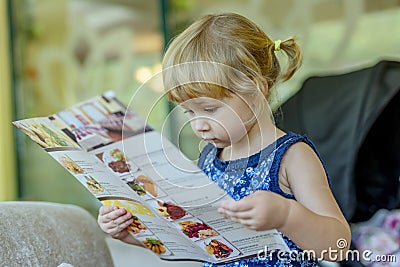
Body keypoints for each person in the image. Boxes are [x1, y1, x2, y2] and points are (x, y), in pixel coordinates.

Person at [97, 12, 351, 266]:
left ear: (256, 89)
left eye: (209, 109)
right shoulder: (208, 157)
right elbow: (193, 236)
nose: (198, 125)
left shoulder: (291, 156)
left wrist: (286, 215)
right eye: (189, 112)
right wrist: (130, 231)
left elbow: (338, 247)